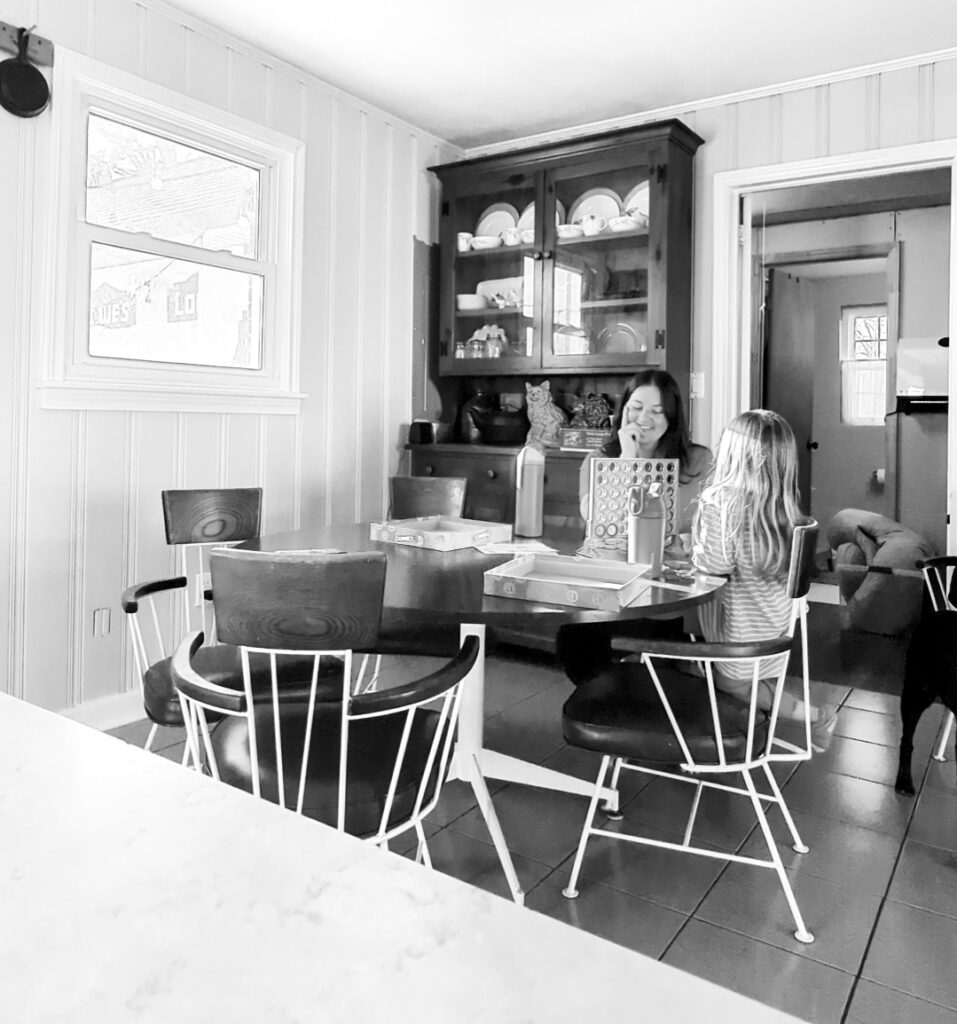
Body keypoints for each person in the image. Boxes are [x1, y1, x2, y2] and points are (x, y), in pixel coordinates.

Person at [692, 409, 835, 746]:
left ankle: (815, 716)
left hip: (740, 636)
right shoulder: (787, 511)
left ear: (731, 453)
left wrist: (694, 549)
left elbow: (713, 566)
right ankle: (750, 716)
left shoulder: (722, 502)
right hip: (775, 631)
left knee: (727, 681)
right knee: (718, 673)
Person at [558, 370, 711, 685]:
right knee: (575, 643)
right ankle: (613, 703)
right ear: (623, 409)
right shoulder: (599, 460)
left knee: (665, 647)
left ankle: (666, 681)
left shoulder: (698, 460)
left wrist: (692, 539)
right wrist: (627, 460)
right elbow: (595, 519)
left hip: (673, 596)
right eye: (637, 407)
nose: (645, 418)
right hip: (616, 591)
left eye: (657, 411)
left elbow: (712, 526)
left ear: (671, 417)